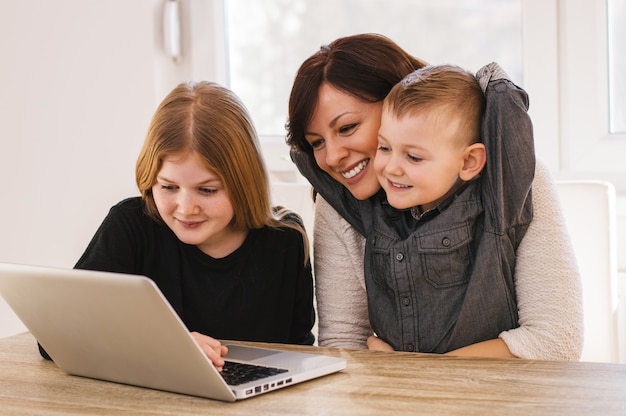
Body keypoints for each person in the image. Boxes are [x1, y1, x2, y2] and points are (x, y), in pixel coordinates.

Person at [287, 33, 583, 360]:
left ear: (398, 103)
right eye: (316, 142)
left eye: (347, 128)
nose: (332, 157)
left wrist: (411, 369)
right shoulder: (338, 202)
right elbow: (343, 346)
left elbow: (555, 342)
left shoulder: (515, 180)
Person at [42, 81, 316, 368]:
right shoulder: (131, 226)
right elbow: (54, 339)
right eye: (169, 187)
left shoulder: (285, 241)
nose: (186, 208)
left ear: (245, 183)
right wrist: (166, 346)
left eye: (208, 190)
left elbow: (301, 353)